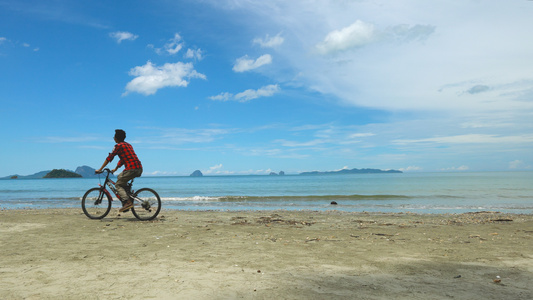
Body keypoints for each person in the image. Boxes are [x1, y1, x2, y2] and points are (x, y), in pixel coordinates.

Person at [96, 129, 143, 212]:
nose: (113, 138)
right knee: (121, 179)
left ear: (116, 138)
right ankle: (127, 197)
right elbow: (123, 159)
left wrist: (100, 169)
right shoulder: (128, 145)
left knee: (118, 185)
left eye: (114, 137)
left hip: (131, 168)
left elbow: (109, 158)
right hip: (139, 168)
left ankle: (127, 203)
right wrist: (116, 169)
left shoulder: (118, 146)